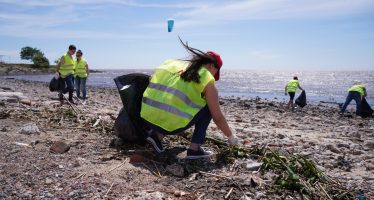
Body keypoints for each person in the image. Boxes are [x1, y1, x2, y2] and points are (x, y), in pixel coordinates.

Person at [140, 39, 240, 159]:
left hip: (147, 118)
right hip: (169, 125)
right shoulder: (206, 78)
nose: (213, 76)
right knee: (209, 108)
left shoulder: (172, 64)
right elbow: (217, 117)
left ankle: (156, 136)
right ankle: (195, 149)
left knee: (169, 100)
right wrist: (231, 137)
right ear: (211, 65)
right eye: (215, 72)